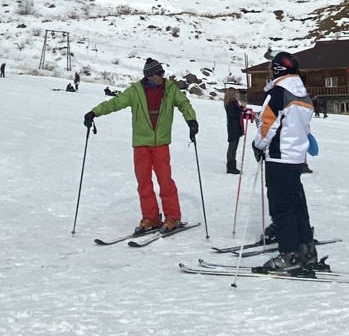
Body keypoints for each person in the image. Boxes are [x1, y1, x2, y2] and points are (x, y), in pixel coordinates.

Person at [83, 57, 198, 235]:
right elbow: (115, 102)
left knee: (165, 181)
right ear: (150, 76)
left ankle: (173, 217)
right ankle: (150, 217)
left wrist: (191, 120)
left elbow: (184, 103)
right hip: (141, 144)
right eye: (159, 73)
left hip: (161, 143)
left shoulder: (169, 89)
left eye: (162, 73)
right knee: (143, 182)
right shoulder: (135, 91)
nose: (163, 76)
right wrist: (94, 112)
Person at [252, 52, 318, 275]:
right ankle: (306, 249)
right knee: (297, 203)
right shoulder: (302, 93)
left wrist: (258, 145)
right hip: (296, 157)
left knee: (281, 206)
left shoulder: (278, 93)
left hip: (279, 156)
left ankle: (289, 254)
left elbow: (268, 124)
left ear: (278, 70)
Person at [224, 87, 243, 174]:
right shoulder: (231, 104)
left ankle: (232, 165)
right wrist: (241, 108)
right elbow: (234, 116)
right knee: (232, 146)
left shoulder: (232, 103)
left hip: (235, 127)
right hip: (233, 127)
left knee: (233, 146)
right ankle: (231, 166)